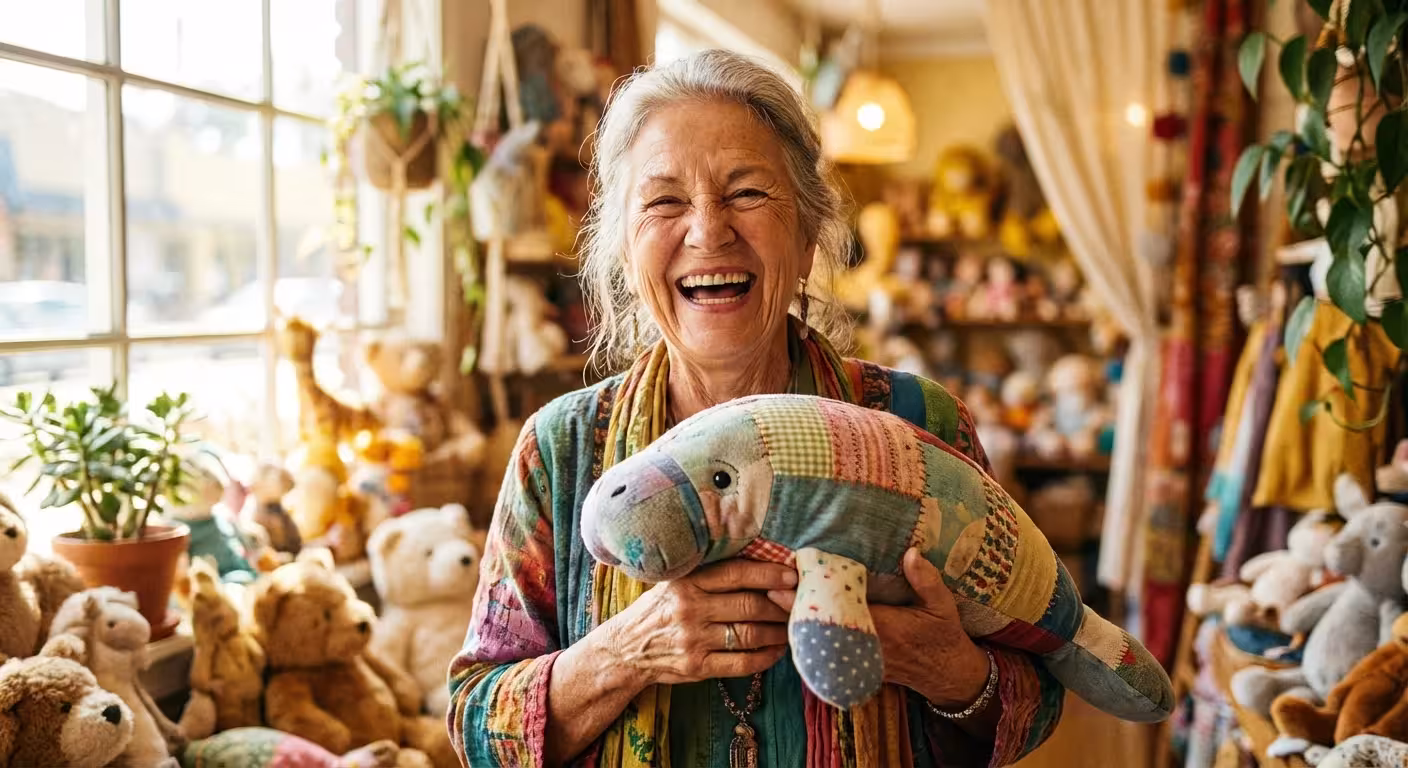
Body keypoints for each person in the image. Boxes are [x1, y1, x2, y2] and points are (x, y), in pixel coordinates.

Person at [448, 49, 1066, 767]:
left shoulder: (920, 424)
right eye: (664, 201)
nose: (709, 232)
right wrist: (621, 654)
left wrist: (950, 670)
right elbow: (473, 722)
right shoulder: (561, 451)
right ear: (623, 249)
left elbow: (1038, 695)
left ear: (807, 239)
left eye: (746, 194)